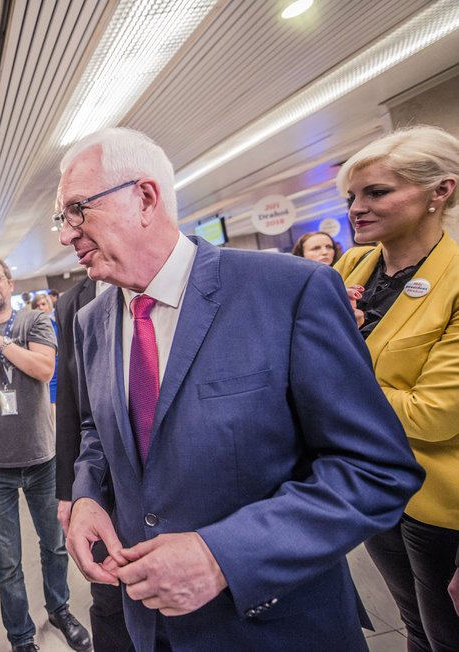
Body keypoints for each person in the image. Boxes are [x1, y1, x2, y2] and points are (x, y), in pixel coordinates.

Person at [57, 127, 424, 651]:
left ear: (144, 198)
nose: (67, 234)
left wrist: (223, 554)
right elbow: (98, 426)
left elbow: (376, 468)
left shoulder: (287, 291)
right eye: (62, 218)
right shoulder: (92, 321)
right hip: (150, 626)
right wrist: (90, 494)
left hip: (273, 627)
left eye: (77, 209)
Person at [334, 125, 459, 652]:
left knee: (445, 633)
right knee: (412, 625)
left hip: (436, 498)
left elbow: (435, 414)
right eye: (351, 197)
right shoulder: (353, 264)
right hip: (369, 483)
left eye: (377, 192)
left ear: (441, 192)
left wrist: (337, 381)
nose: (356, 208)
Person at [0, 257, 91, 652]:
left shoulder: (33, 321)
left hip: (41, 455)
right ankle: (21, 636)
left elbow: (44, 368)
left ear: (10, 283)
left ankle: (59, 609)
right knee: (7, 560)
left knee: (54, 543)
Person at [55, 274, 134, 652]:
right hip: (105, 485)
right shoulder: (78, 307)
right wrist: (75, 491)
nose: (67, 236)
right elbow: (78, 407)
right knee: (109, 601)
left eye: (78, 211)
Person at [32, 294, 59, 405]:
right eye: (37, 306)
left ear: (49, 305)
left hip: (60, 369)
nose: (41, 308)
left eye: (43, 304)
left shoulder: (57, 323)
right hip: (45, 372)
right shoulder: (32, 328)